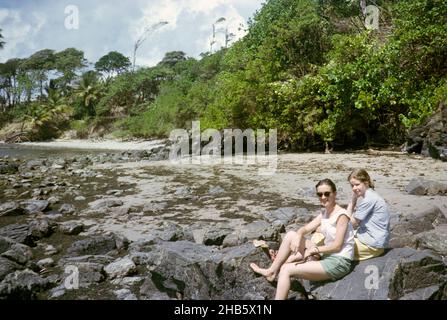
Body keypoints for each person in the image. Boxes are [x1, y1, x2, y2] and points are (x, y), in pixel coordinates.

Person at [249, 179, 355, 300]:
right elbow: (305, 228)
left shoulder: (341, 215)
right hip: (327, 254)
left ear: (335, 194)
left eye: (327, 193)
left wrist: (314, 250)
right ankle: (271, 271)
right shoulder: (325, 213)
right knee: (290, 235)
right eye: (320, 194)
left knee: (286, 269)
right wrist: (299, 235)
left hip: (339, 261)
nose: (323, 197)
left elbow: (337, 246)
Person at [347, 169, 390, 260]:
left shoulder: (368, 199)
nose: (354, 188)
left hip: (372, 245)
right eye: (352, 185)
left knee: (334, 245)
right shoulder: (371, 195)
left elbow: (350, 223)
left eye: (357, 184)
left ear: (366, 183)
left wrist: (352, 202)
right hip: (375, 240)